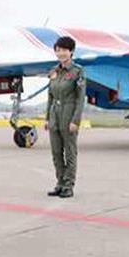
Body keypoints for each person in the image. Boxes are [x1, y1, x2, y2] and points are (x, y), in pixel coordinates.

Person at [44, 36, 86, 198]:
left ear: (71, 52)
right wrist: (47, 118)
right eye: (58, 50)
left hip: (69, 115)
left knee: (70, 152)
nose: (61, 53)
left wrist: (76, 120)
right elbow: (50, 96)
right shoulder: (54, 72)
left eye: (64, 50)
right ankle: (60, 183)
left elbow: (80, 98)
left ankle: (69, 185)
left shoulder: (77, 71)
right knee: (56, 152)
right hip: (55, 115)